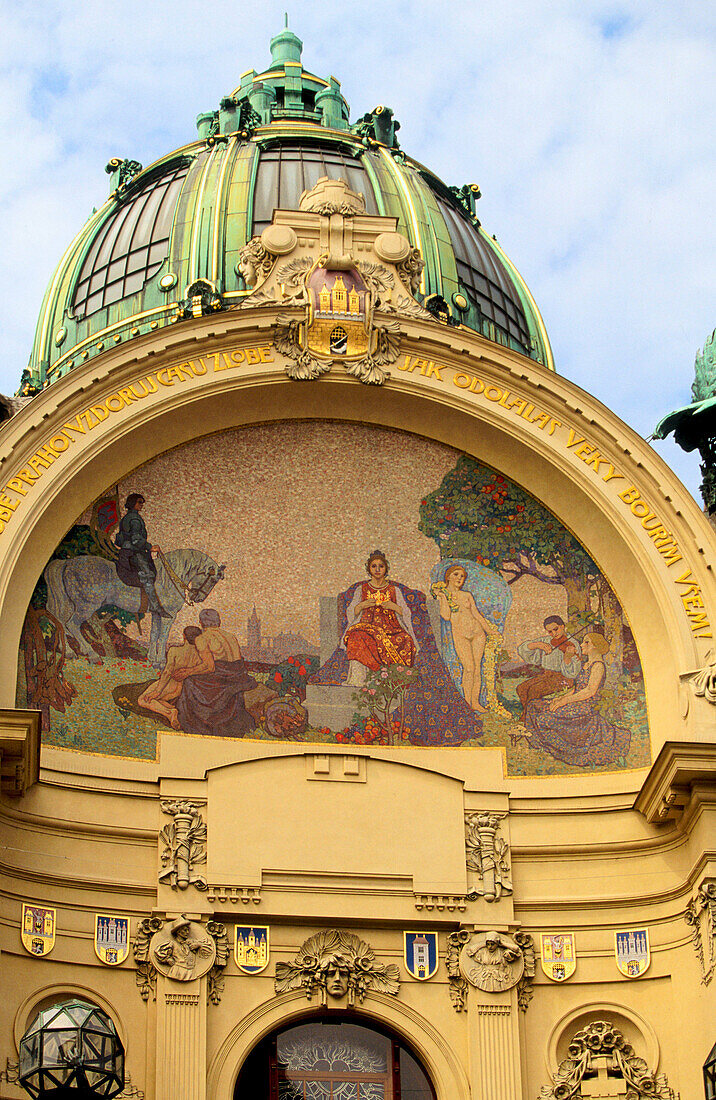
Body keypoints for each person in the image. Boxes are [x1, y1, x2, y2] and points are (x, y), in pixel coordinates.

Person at [523, 632, 631, 768]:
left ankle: (566, 751)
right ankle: (540, 744)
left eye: (587, 642)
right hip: (575, 700)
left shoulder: (598, 666)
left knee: (545, 719)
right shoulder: (586, 664)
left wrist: (565, 702)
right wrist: (560, 698)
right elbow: (576, 688)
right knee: (534, 705)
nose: (581, 645)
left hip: (586, 705)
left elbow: (590, 691)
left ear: (596, 647)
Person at [174, 609, 259, 738]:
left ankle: (195, 721)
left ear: (201, 623)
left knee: (189, 681)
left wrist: (187, 672)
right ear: (218, 621)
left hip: (222, 678)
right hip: (238, 676)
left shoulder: (202, 638)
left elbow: (209, 667)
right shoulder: (230, 636)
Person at [342, 550, 418, 686]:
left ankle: (391, 680)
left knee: (405, 640)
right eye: (374, 566)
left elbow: (406, 612)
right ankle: (361, 680)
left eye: (381, 566)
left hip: (391, 627)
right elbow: (351, 611)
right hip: (366, 625)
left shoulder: (394, 590)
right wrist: (362, 605)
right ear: (369, 569)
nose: (377, 569)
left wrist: (393, 606)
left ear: (386, 569)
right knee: (356, 637)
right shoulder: (362, 589)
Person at [433, 564, 499, 713]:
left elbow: (476, 614)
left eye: (462, 576)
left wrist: (489, 631)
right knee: (468, 668)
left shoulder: (467, 595)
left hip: (477, 633)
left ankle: (475, 703)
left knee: (477, 669)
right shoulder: (444, 594)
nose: (459, 579)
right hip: (461, 634)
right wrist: (443, 597)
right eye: (456, 575)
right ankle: (466, 703)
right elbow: (446, 616)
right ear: (448, 576)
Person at [114, 493, 169, 617]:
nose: (141, 505)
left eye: (142, 502)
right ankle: (155, 607)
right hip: (132, 553)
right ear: (133, 503)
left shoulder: (129, 517)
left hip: (128, 552)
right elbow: (136, 539)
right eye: (139, 502)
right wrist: (150, 547)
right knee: (148, 577)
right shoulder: (134, 519)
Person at [137, 626, 203, 727]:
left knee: (142, 699)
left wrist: (157, 691)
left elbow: (167, 672)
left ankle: (169, 713)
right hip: (180, 690)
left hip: (169, 685)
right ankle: (172, 710)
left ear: (184, 636)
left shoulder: (175, 651)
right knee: (159, 701)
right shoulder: (200, 655)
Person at [515, 615, 580, 717]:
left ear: (562, 626)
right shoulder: (546, 640)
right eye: (550, 631)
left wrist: (567, 658)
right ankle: (532, 715)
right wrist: (537, 645)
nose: (554, 634)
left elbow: (574, 672)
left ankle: (527, 717)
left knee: (534, 690)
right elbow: (522, 649)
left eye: (556, 629)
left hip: (563, 678)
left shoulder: (572, 643)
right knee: (521, 688)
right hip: (546, 675)